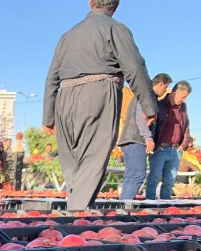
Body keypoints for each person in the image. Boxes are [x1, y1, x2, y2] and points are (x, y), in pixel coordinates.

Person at [43, 0, 157, 210]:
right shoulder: (115, 29)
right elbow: (134, 67)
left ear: (90, 4)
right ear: (116, 6)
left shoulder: (67, 35)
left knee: (73, 163)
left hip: (65, 98)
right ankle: (74, 221)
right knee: (92, 160)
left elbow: (51, 77)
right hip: (99, 94)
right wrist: (149, 106)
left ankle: (75, 215)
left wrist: (49, 115)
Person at [118, 73, 172, 200]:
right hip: (136, 139)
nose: (165, 91)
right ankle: (124, 209)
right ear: (161, 84)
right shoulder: (147, 95)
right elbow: (140, 117)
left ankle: (122, 209)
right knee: (137, 175)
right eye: (166, 87)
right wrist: (148, 138)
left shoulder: (144, 95)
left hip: (130, 140)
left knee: (131, 175)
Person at [145, 81, 193, 199]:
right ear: (175, 92)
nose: (184, 100)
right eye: (183, 97)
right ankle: (148, 208)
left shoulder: (183, 107)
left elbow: (186, 126)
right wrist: (154, 144)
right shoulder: (159, 105)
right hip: (160, 149)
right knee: (154, 179)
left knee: (169, 182)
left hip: (176, 150)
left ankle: (165, 209)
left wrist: (183, 144)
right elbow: (152, 126)